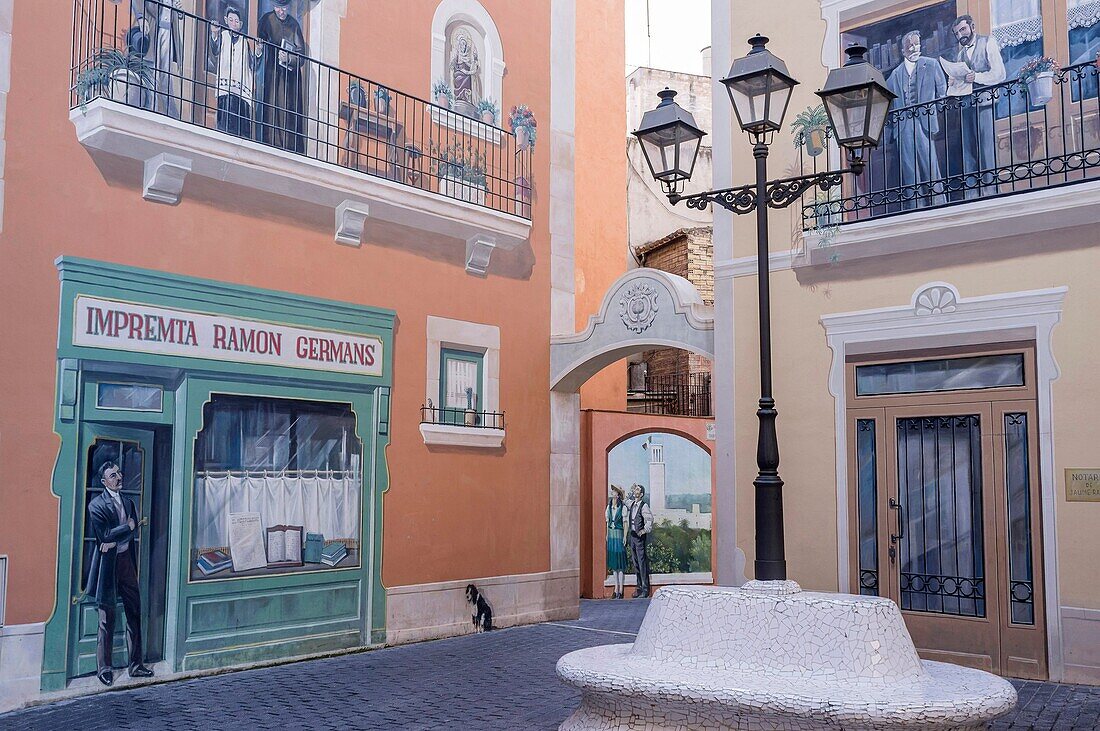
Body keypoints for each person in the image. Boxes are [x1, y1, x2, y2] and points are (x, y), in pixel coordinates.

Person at [85, 461, 153, 685]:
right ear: (104, 482)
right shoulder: (96, 505)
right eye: (113, 475)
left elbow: (111, 538)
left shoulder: (128, 502)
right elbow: (104, 536)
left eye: (119, 473)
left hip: (126, 562)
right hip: (107, 567)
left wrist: (114, 539)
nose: (119, 477)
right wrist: (128, 528)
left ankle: (136, 665)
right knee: (107, 617)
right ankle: (104, 668)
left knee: (134, 612)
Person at [885, 31, 947, 209]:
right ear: (903, 51)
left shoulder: (931, 64)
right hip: (903, 125)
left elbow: (942, 91)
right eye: (910, 45)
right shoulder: (895, 75)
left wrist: (937, 111)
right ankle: (915, 206)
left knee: (929, 164)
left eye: (916, 44)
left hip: (924, 122)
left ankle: (938, 202)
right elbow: (886, 99)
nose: (914, 48)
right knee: (909, 169)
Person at [951, 14, 1006, 198]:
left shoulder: (988, 41)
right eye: (957, 33)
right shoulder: (960, 54)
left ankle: (990, 192)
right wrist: (953, 82)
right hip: (966, 105)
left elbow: (999, 74)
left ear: (972, 26)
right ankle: (972, 194)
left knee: (986, 148)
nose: (960, 35)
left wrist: (978, 77)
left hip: (985, 102)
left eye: (963, 30)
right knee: (968, 150)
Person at [257, 0, 307, 153]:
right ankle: (271, 141)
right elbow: (260, 41)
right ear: (274, 7)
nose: (281, 12)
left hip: (289, 81)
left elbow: (301, 56)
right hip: (272, 73)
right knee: (272, 107)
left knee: (288, 111)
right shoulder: (267, 20)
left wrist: (289, 58)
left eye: (284, 8)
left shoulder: (294, 25)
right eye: (278, 8)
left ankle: (289, 145)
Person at [209, 6, 261, 138]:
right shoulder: (223, 36)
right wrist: (214, 33)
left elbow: (253, 64)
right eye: (231, 20)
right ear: (226, 21)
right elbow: (215, 50)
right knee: (226, 117)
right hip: (226, 88)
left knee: (240, 120)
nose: (233, 23)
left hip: (240, 89)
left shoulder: (244, 42)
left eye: (236, 21)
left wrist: (259, 51)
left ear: (241, 24)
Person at [132, 0, 184, 119]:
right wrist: (140, 17)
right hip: (153, 28)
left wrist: (179, 12)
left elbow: (173, 13)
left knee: (166, 74)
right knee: (152, 70)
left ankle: (169, 111)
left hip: (168, 31)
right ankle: (151, 107)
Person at [627, 484, 653, 599]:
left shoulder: (644, 506)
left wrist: (644, 531)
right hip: (632, 536)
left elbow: (649, 519)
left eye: (637, 489)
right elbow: (624, 499)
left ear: (641, 494)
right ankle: (638, 588)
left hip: (639, 537)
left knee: (642, 563)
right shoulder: (632, 503)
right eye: (635, 489)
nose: (635, 491)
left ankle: (645, 589)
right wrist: (630, 489)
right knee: (636, 563)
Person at [449, 27, 482, 116]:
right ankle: (459, 97)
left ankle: (466, 98)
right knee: (458, 76)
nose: (463, 46)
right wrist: (456, 66)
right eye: (461, 44)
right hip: (458, 75)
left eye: (464, 44)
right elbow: (453, 66)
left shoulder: (468, 58)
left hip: (467, 77)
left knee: (468, 79)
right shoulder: (457, 55)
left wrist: (474, 61)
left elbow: (473, 69)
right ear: (458, 45)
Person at [605, 486, 628, 599]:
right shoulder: (609, 507)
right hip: (611, 534)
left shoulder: (622, 508)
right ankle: (615, 588)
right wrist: (606, 534)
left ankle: (621, 590)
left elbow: (625, 523)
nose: (612, 492)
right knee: (614, 564)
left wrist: (625, 536)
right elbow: (607, 522)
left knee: (620, 563)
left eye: (614, 491)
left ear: (618, 495)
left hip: (618, 534)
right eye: (612, 491)